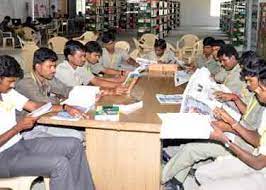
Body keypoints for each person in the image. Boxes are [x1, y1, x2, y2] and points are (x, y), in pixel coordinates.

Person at [162, 51, 264, 190]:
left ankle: (161, 178)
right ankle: (175, 179)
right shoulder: (257, 95)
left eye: (249, 81)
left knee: (194, 148)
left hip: (246, 144)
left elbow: (256, 143)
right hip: (241, 133)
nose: (246, 84)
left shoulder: (260, 97)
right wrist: (231, 115)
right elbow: (250, 118)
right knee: (197, 139)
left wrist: (229, 128)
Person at [0, 55, 94, 190]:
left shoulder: (7, 93)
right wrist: (17, 128)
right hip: (3, 158)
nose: (13, 85)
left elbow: (34, 106)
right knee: (59, 164)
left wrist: (65, 107)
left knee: (74, 144)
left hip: (18, 144)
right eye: (10, 81)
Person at [194, 61, 266, 190]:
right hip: (256, 157)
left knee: (205, 187)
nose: (256, 90)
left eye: (261, 89)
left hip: (261, 171)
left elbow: (258, 163)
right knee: (201, 174)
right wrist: (232, 122)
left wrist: (225, 141)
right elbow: (259, 140)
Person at [15, 48, 85, 141]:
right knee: (72, 140)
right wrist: (59, 100)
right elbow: (43, 102)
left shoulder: (47, 78)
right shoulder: (25, 82)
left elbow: (66, 90)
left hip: (44, 123)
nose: (54, 70)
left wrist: (89, 92)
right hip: (27, 130)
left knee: (79, 135)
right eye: (50, 66)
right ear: (38, 66)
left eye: (54, 66)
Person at [55, 40, 128, 95]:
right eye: (80, 56)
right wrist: (111, 91)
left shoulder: (79, 66)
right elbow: (79, 91)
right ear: (70, 57)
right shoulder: (63, 70)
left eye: (84, 56)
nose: (84, 59)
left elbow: (94, 80)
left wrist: (120, 84)